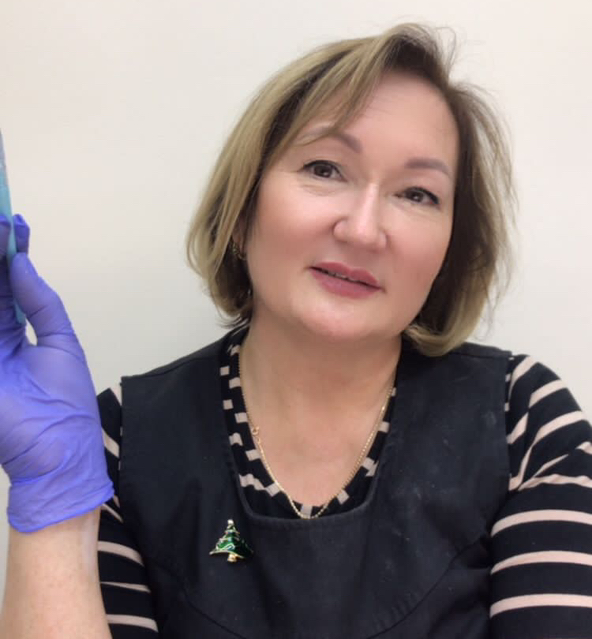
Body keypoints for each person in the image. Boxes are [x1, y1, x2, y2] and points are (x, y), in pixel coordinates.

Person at [1, 22, 591, 639]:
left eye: (418, 194)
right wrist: (53, 502)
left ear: (448, 249)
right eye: (325, 168)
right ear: (242, 208)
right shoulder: (120, 444)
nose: (363, 230)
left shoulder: (521, 420)